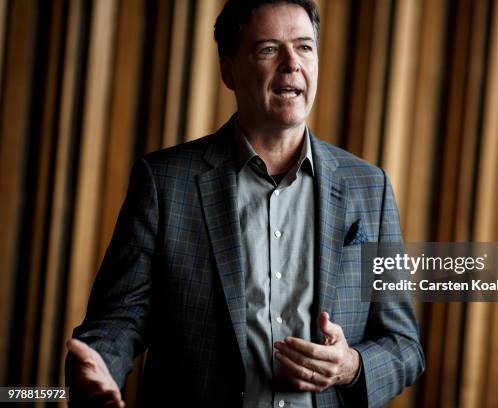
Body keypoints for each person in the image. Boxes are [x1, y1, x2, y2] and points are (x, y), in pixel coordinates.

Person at [65, 0, 425, 407]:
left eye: (305, 47)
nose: (292, 63)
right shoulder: (165, 182)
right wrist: (95, 368)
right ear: (228, 70)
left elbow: (405, 346)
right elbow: (118, 321)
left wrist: (351, 366)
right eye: (269, 49)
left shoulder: (368, 187)